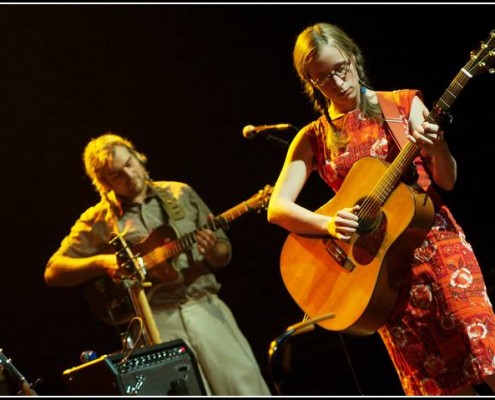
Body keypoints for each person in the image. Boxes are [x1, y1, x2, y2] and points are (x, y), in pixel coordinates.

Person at [267, 22, 495, 396]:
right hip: (379, 276)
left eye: (340, 68)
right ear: (310, 82)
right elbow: (278, 208)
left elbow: (447, 180)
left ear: (354, 58)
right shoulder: (312, 138)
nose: (336, 81)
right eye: (322, 78)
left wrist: (436, 146)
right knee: (438, 386)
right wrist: (327, 224)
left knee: (483, 351)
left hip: (437, 251)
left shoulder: (401, 104)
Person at [44, 132, 272, 396]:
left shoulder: (180, 192)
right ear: (104, 183)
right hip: (157, 321)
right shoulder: (97, 220)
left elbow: (223, 254)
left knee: (244, 387)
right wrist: (104, 261)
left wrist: (213, 249)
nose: (128, 174)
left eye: (129, 164)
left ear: (139, 158)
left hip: (204, 306)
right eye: (117, 174)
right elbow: (53, 271)